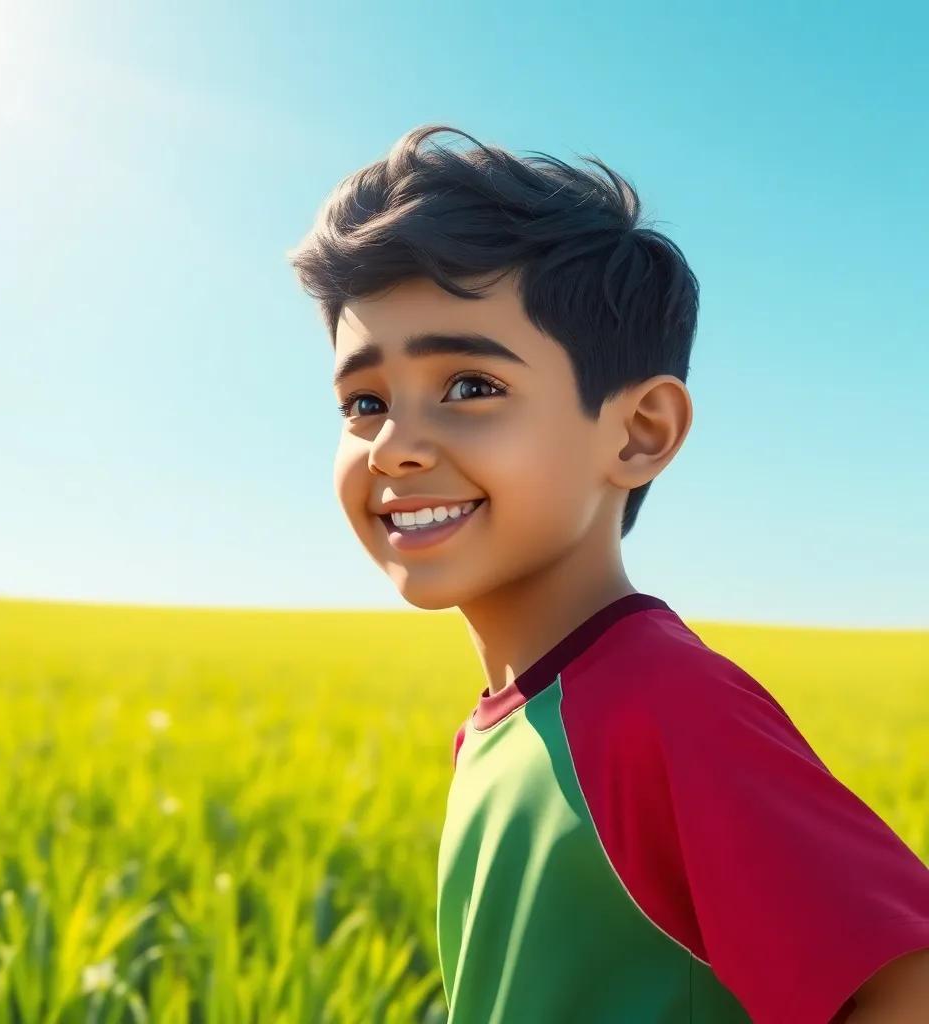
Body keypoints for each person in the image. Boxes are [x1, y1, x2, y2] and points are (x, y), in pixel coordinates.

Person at [286, 124, 929, 1023]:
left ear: (639, 432)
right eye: (365, 403)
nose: (394, 447)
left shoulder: (656, 705)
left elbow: (904, 981)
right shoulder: (507, 725)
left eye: (470, 386)